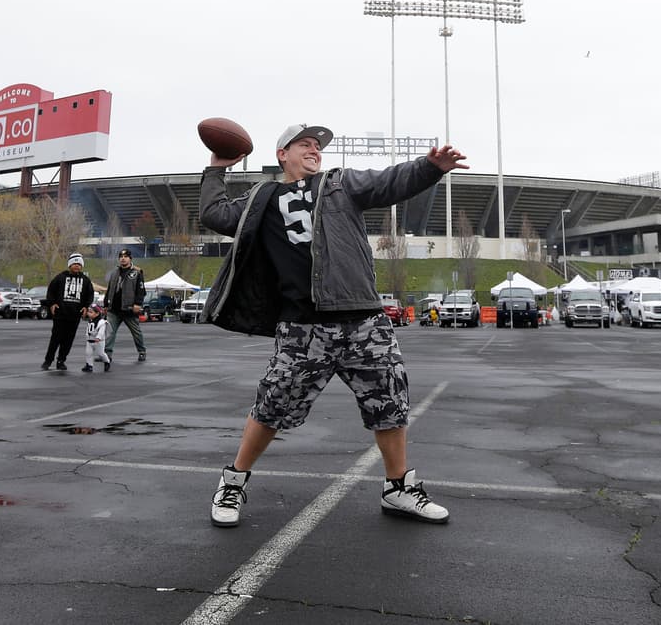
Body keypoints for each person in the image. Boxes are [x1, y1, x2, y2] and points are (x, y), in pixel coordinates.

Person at [200, 122, 467, 528]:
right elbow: (215, 215)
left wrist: (429, 168)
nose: (314, 150)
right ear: (281, 155)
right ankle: (233, 481)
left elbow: (388, 183)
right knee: (271, 406)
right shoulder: (262, 197)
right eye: (304, 144)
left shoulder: (339, 184)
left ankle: (398, 488)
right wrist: (217, 167)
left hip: (363, 319)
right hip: (302, 328)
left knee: (390, 404)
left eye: (318, 146)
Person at [41, 253, 94, 371]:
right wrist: (52, 303)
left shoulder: (85, 280)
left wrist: (86, 306)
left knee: (68, 340)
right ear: (70, 265)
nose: (77, 266)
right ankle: (48, 360)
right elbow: (51, 292)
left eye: (79, 264)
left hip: (75, 316)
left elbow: (89, 295)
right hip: (60, 314)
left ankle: (61, 360)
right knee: (56, 338)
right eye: (75, 263)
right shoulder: (60, 277)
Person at [103, 248, 148, 362]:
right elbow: (109, 289)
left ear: (130, 258)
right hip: (114, 309)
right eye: (121, 257)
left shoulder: (136, 272)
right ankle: (107, 354)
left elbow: (141, 290)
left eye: (126, 256)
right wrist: (105, 304)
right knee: (109, 332)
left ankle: (142, 351)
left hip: (129, 309)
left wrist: (138, 304)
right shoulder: (114, 273)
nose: (123, 258)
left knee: (136, 332)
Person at [81, 304, 112, 373]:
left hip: (98, 341)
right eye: (88, 311)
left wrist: (98, 337)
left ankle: (107, 362)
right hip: (90, 340)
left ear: (97, 313)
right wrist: (87, 335)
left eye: (91, 312)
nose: (88, 313)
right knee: (88, 353)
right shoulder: (90, 320)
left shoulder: (101, 322)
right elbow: (88, 329)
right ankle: (89, 365)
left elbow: (101, 331)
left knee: (101, 353)